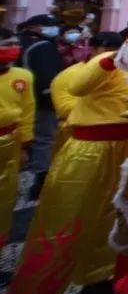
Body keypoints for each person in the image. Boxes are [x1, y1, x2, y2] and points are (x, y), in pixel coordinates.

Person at [3, 33, 128, 294]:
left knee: (111, 222)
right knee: (60, 230)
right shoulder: (81, 71)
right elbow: (72, 97)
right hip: (88, 152)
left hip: (124, 152)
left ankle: (98, 282)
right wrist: (109, 60)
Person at [16, 14, 63, 201]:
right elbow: (48, 78)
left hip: (18, 100)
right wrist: (54, 99)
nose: (55, 29)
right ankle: (40, 180)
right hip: (42, 102)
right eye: (49, 25)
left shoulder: (19, 42)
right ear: (34, 27)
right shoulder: (43, 47)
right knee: (44, 139)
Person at [0, 29, 34, 249]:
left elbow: (28, 111)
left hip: (11, 140)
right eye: (6, 44)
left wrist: (25, 144)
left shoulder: (23, 76)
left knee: (6, 190)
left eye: (15, 44)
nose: (13, 49)